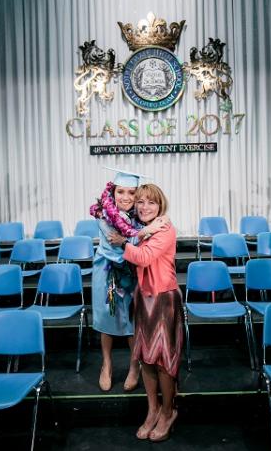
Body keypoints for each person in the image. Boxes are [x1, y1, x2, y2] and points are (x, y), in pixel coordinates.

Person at [109, 183, 183, 442]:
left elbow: (144, 257)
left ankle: (168, 411)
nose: (144, 207)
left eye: (150, 202)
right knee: (146, 359)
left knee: (163, 362)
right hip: (144, 298)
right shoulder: (142, 229)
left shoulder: (165, 229)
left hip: (164, 299)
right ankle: (152, 410)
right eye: (139, 202)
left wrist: (122, 243)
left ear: (160, 205)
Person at [91, 170, 168, 392]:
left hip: (133, 272)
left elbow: (137, 241)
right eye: (120, 191)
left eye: (131, 193)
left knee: (132, 321)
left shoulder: (140, 215)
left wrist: (149, 228)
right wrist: (146, 231)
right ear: (112, 193)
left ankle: (135, 366)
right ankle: (106, 364)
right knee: (107, 318)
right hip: (108, 273)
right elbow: (117, 249)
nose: (125, 197)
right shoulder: (104, 217)